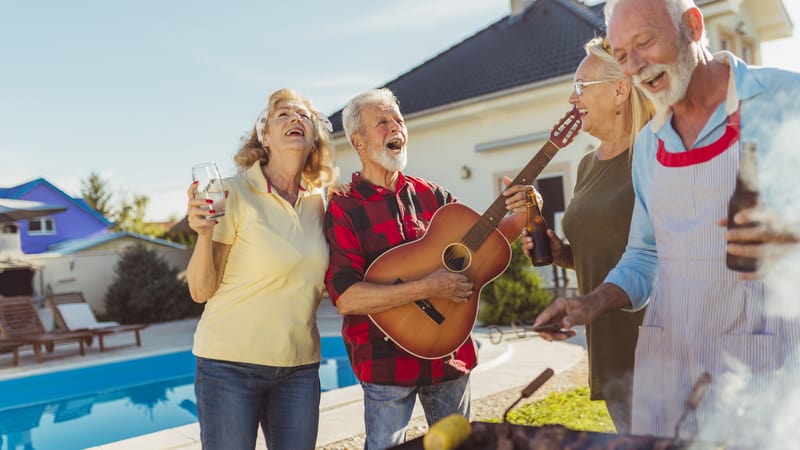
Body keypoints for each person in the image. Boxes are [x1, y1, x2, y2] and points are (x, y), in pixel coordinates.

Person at [533, 0, 800, 443]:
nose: (634, 65)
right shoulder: (650, 144)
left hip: (761, 363)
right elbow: (644, 254)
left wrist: (790, 237)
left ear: (692, 26)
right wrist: (592, 302)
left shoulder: (786, 100)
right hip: (669, 365)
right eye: (620, 54)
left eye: (645, 42)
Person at [324, 88, 531, 449]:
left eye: (399, 120)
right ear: (358, 141)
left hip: (449, 354)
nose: (396, 128)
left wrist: (526, 212)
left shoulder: (434, 196)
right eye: (383, 122)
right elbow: (346, 298)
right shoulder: (344, 207)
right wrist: (426, 288)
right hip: (385, 362)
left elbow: (485, 247)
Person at [185, 88, 337, 450]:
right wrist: (204, 234)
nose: (295, 119)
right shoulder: (231, 193)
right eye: (283, 114)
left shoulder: (320, 202)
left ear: (314, 136)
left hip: (299, 367)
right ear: (264, 137)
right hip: (228, 366)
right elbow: (200, 291)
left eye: (304, 116)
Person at [523, 36, 655, 433]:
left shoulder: (655, 152)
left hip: (658, 339)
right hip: (607, 338)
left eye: (581, 87)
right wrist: (560, 251)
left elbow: (657, 249)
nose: (571, 99)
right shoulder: (585, 165)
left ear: (620, 89)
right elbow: (598, 248)